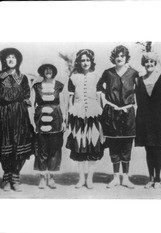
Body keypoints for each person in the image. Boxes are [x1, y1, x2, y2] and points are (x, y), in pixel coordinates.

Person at [0, 48, 34, 192]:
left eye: (13, 57)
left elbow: (27, 96)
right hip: (4, 113)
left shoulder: (23, 77)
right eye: (8, 57)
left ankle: (15, 177)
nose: (10, 60)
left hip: (20, 114)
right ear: (4, 60)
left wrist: (30, 117)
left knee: (19, 144)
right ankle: (6, 177)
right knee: (6, 144)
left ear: (17, 60)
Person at [97, 45, 139, 189]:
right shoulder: (108, 73)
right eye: (117, 56)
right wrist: (107, 102)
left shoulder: (134, 73)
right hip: (112, 113)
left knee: (127, 146)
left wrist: (133, 105)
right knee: (114, 146)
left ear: (126, 58)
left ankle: (125, 178)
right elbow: (98, 88)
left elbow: (139, 91)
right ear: (113, 58)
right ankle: (115, 177)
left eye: (122, 56)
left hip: (128, 114)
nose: (119, 58)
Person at [66, 49, 104, 189]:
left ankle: (90, 179)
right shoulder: (73, 78)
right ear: (79, 62)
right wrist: (69, 115)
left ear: (91, 61)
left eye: (87, 60)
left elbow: (100, 98)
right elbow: (70, 99)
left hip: (94, 116)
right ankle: (81, 178)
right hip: (78, 116)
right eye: (82, 60)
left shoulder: (97, 77)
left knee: (93, 147)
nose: (85, 63)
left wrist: (102, 117)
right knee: (79, 147)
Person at [135, 52, 161, 189]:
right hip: (144, 120)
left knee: (157, 150)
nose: (149, 64)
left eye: (152, 61)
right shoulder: (138, 80)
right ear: (143, 64)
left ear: (155, 63)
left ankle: (158, 180)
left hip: (160, 119)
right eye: (147, 62)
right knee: (148, 149)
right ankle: (150, 178)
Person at [30, 63, 66, 189]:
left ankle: (51, 178)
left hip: (56, 120)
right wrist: (33, 122)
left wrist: (64, 121)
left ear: (54, 71)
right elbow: (32, 105)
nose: (48, 71)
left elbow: (63, 104)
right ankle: (42, 178)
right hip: (41, 120)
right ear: (42, 71)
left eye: (51, 69)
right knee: (41, 150)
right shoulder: (36, 86)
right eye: (46, 69)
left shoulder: (60, 86)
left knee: (54, 150)